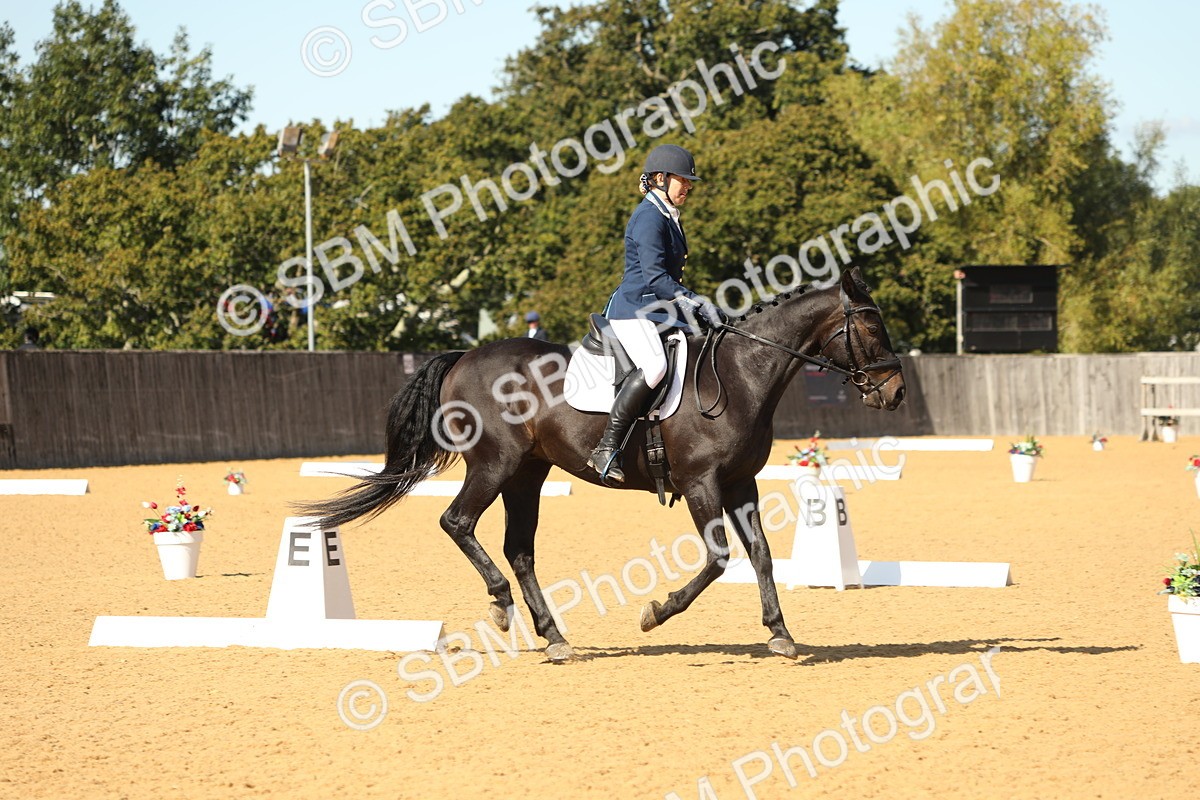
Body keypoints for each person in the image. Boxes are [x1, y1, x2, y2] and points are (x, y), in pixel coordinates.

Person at [587, 143, 724, 485]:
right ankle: (607, 447)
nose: (688, 186)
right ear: (661, 179)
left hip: (658, 310)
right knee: (656, 366)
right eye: (683, 180)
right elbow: (656, 278)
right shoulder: (649, 217)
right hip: (635, 309)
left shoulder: (666, 215)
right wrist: (693, 301)